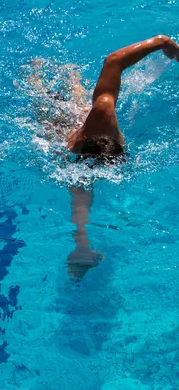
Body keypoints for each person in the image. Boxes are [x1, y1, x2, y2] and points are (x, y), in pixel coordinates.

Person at [25, 35, 179, 278]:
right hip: (61, 136)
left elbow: (114, 62)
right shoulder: (103, 115)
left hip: (84, 140)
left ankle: (69, 73)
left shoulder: (104, 113)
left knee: (81, 102)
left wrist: (161, 44)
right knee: (48, 109)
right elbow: (112, 61)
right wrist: (160, 41)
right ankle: (33, 75)